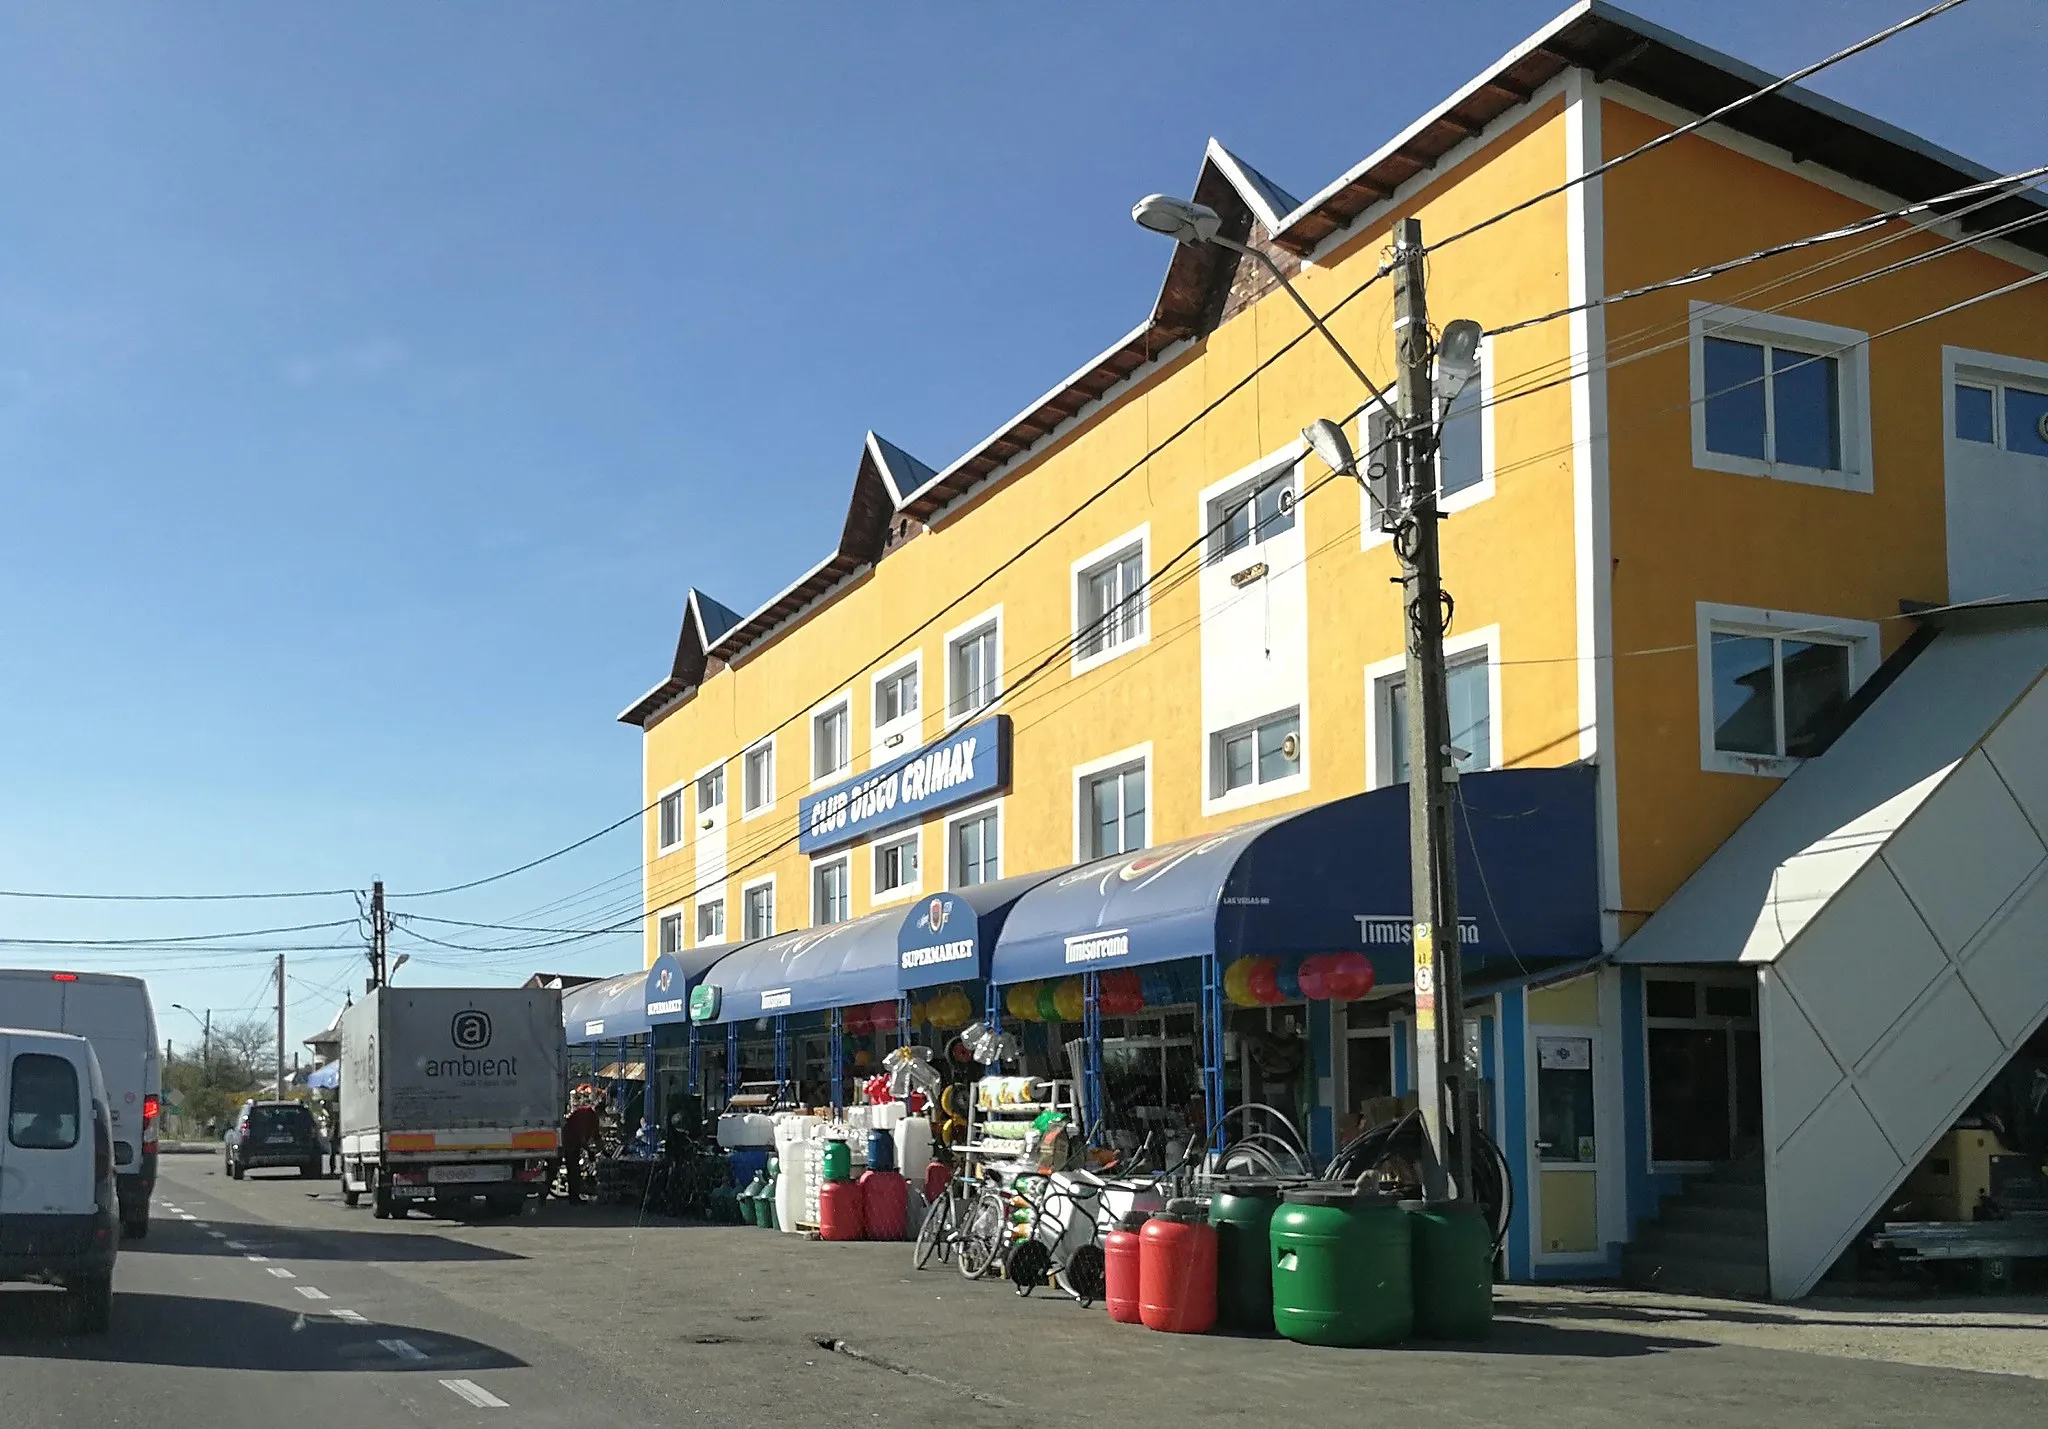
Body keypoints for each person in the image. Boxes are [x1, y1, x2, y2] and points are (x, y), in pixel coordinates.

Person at [562, 1095, 601, 1203]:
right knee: (574, 1171)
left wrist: (601, 1149)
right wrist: (589, 1151)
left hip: (574, 1143)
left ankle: (574, 1196)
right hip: (570, 1143)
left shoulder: (591, 1117)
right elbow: (582, 1138)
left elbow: (596, 1135)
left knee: (574, 1170)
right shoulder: (586, 1116)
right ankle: (573, 1198)